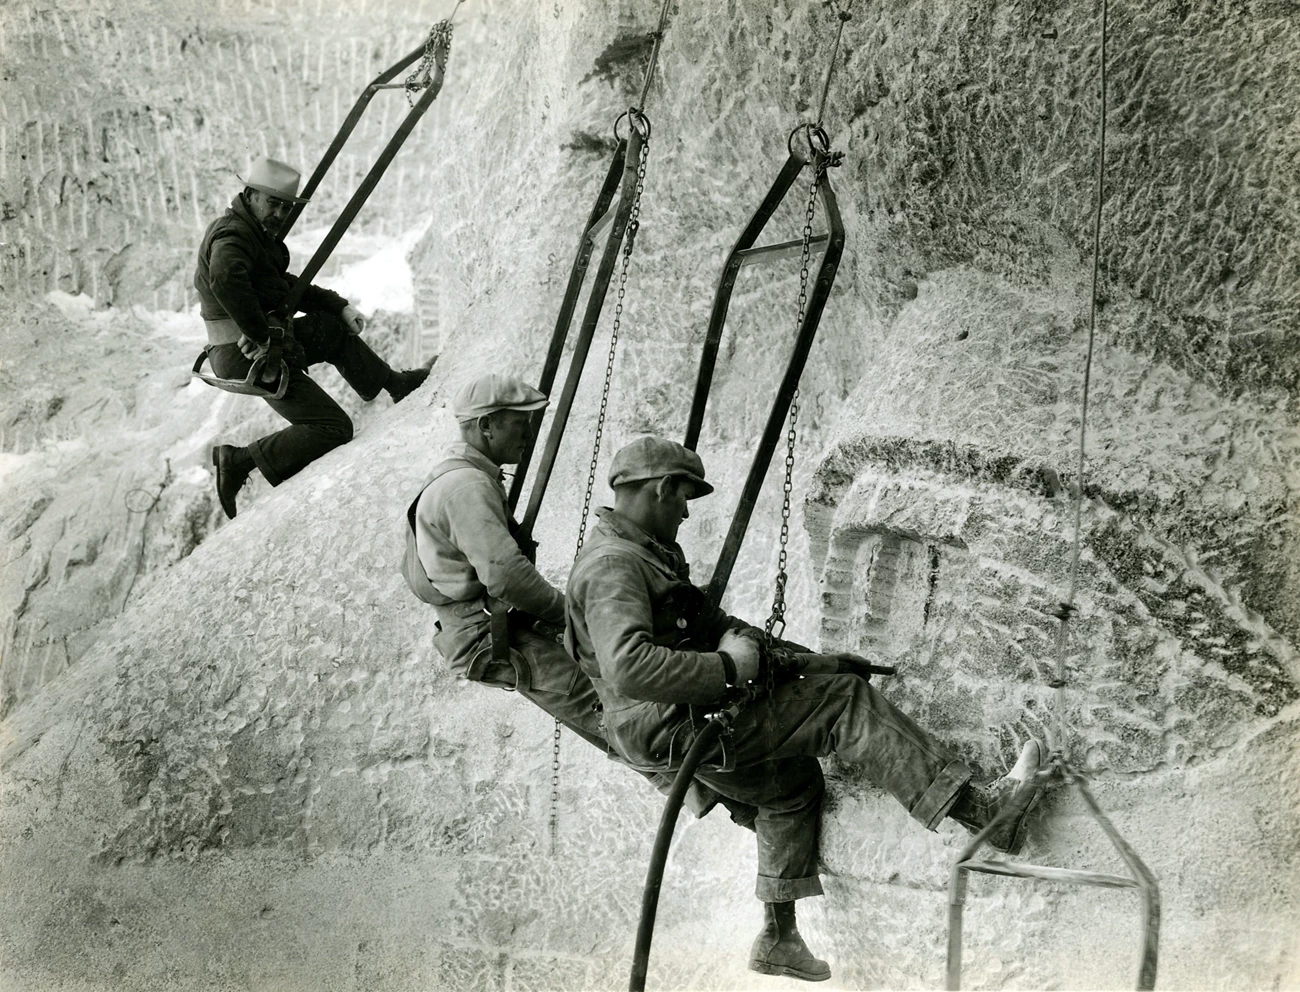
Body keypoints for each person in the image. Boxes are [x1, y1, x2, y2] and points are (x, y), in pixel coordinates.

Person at [564, 435, 1045, 983]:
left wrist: (816, 664)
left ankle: (778, 935)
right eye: (683, 498)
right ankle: (985, 813)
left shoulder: (642, 555)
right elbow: (630, 666)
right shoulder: (614, 564)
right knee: (843, 705)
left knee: (789, 787)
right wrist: (729, 671)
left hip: (669, 724)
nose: (685, 511)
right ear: (662, 487)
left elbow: (720, 629)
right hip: (675, 723)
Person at [402, 374, 755, 827]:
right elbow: (506, 576)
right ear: (486, 425)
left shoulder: (456, 476)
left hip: (494, 624)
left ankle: (718, 794)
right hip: (490, 633)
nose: (528, 436)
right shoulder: (465, 487)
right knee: (615, 707)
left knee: (617, 704)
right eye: (519, 425)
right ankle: (734, 800)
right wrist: (572, 613)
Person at [195, 155, 432, 518]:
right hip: (243, 353)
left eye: (286, 207)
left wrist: (338, 306)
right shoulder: (233, 235)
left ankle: (395, 385)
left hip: (258, 343)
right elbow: (225, 279)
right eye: (273, 202)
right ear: (251, 194)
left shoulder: (254, 233)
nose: (279, 213)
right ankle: (239, 460)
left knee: (329, 328)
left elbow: (282, 287)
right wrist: (258, 335)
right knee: (333, 427)